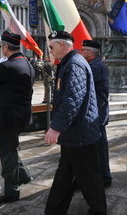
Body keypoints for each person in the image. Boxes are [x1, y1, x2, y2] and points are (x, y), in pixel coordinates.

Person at [44, 31, 107, 215]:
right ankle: (54, 210)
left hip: (80, 132)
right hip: (74, 132)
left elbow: (73, 99)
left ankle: (98, 211)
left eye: (51, 46)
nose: (50, 50)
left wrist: (56, 127)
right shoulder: (69, 63)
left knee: (89, 178)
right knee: (65, 174)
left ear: (62, 45)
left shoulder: (74, 64)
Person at [0, 30, 35, 204]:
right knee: (8, 147)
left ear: (5, 47)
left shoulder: (7, 66)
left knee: (6, 151)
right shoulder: (27, 63)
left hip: (8, 116)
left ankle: (11, 191)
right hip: (21, 115)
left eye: (1, 46)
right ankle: (23, 176)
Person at [80, 39, 112, 187]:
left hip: (97, 113)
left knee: (99, 148)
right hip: (96, 112)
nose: (81, 52)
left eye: (83, 50)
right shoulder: (94, 64)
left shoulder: (96, 67)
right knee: (95, 148)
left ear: (90, 53)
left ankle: (104, 178)